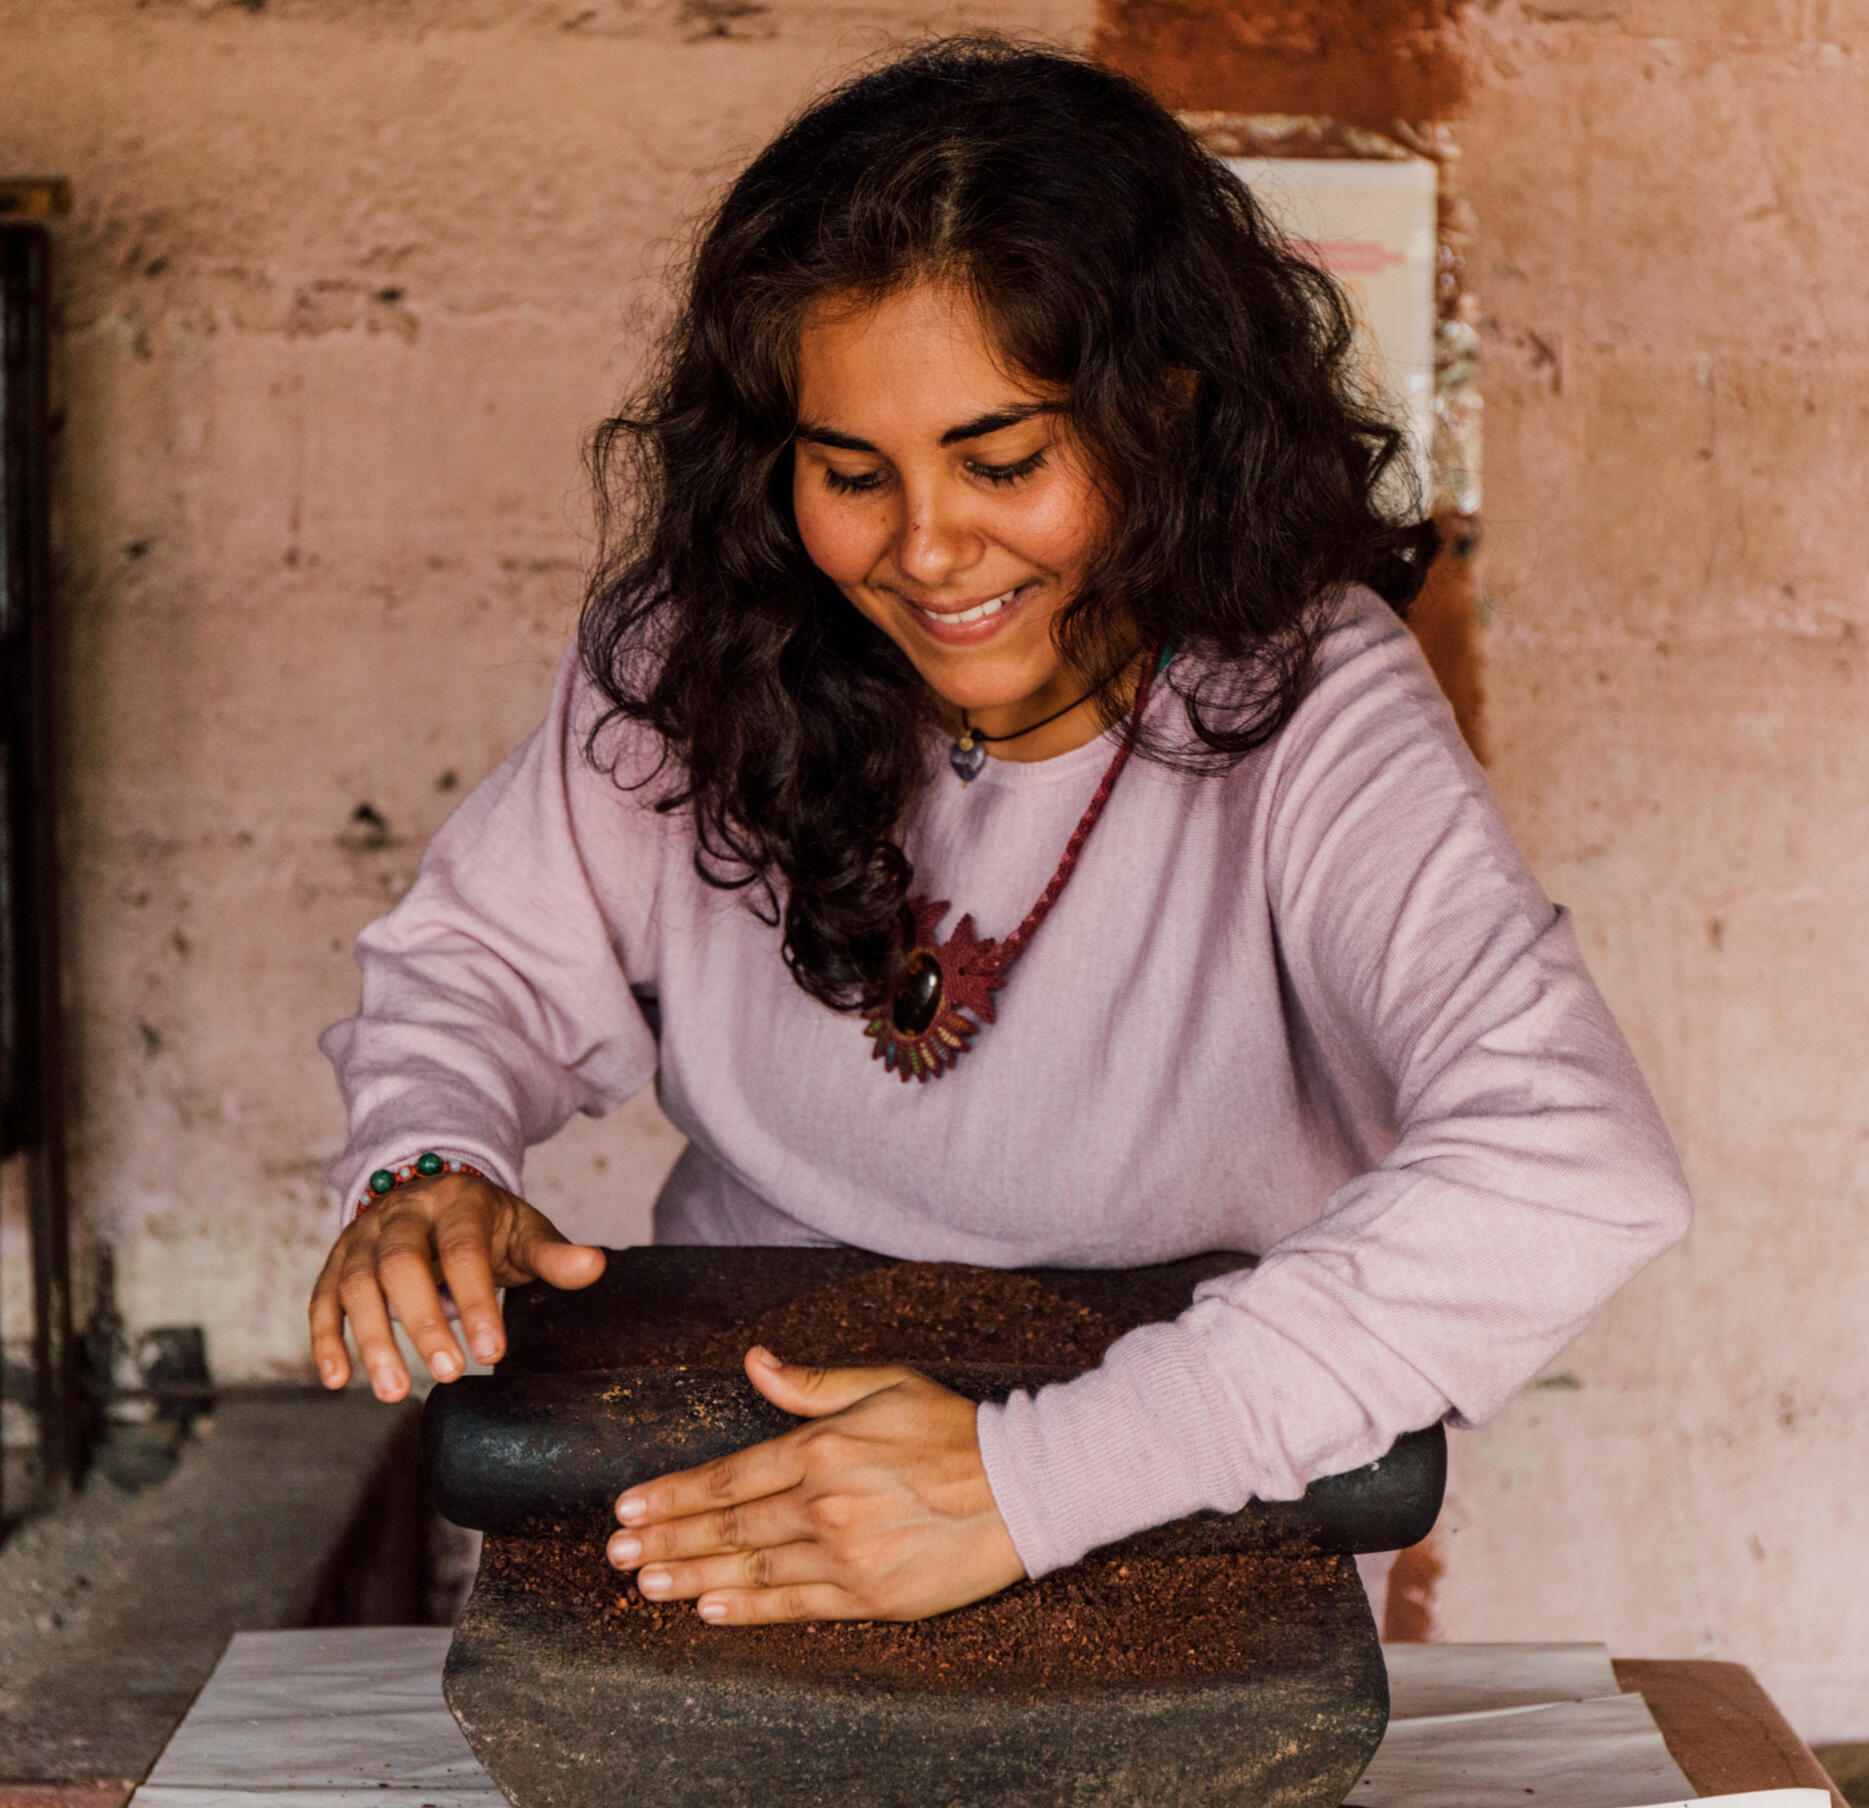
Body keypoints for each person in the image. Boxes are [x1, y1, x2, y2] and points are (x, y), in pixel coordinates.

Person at [310, 38, 1692, 1629]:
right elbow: (476, 973)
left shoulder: (1312, 703)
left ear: (1162, 410)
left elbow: (1570, 1166)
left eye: (1004, 462)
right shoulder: (695, 657)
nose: (925, 550)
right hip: (746, 1473)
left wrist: (1026, 1481)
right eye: (850, 472)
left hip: (1162, 1512)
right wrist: (424, 1161)